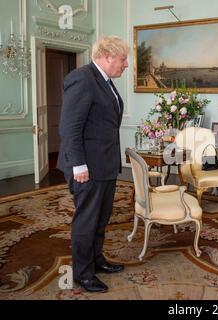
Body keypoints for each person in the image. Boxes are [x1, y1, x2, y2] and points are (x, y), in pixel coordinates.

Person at [57, 36, 129, 293]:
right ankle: (83, 274)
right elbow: (70, 128)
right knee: (86, 221)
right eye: (123, 59)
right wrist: (78, 166)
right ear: (108, 55)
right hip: (86, 167)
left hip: (105, 165)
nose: (126, 64)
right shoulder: (83, 78)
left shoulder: (105, 82)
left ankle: (96, 261)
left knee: (100, 219)